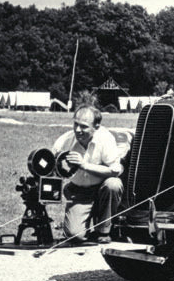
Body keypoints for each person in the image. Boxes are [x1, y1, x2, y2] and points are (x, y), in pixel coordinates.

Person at [51, 104, 125, 244]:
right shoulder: (64, 141)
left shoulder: (105, 139)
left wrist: (84, 165)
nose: (78, 130)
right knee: (74, 236)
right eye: (76, 124)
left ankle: (103, 230)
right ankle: (86, 228)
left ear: (96, 127)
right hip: (79, 192)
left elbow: (115, 171)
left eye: (84, 126)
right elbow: (51, 170)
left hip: (102, 190)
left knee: (113, 184)